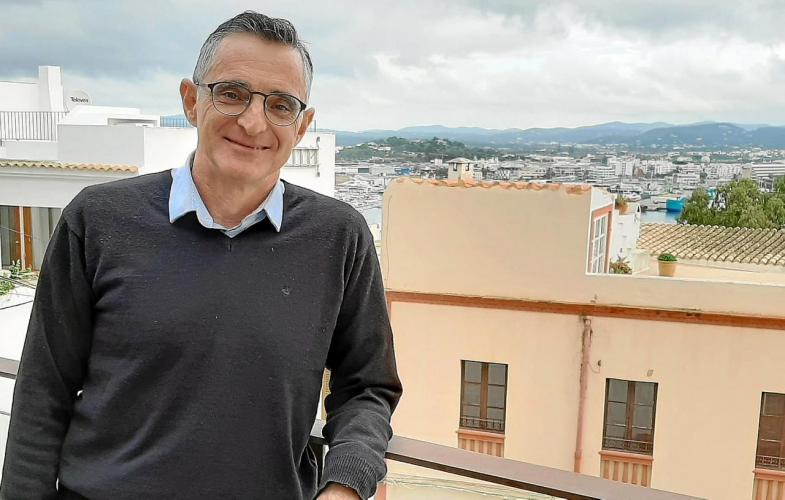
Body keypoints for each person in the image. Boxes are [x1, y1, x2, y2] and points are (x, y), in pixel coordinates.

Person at [1, 11, 401, 500]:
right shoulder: (98, 220)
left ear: (302, 126)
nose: (253, 122)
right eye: (231, 93)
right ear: (191, 101)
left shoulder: (339, 237)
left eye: (281, 105)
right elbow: (44, 391)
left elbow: (367, 387)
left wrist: (346, 485)